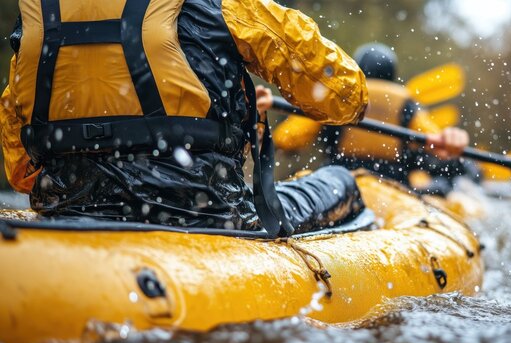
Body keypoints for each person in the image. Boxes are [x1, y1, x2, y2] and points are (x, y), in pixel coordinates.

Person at [0, 0, 369, 236]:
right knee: (342, 181)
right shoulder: (218, 5)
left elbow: (20, 173)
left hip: (71, 211)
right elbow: (344, 98)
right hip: (206, 217)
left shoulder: (38, 20)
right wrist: (234, 108)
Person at [272, 42, 476, 196]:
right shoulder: (406, 102)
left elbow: (289, 138)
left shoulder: (339, 96)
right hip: (394, 184)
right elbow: (435, 141)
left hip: (339, 179)